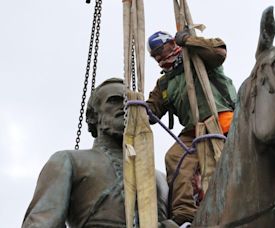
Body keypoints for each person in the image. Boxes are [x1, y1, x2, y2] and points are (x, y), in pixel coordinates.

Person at [22, 78, 172, 228]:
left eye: (130, 101)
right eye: (114, 101)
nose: (126, 105)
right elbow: (41, 222)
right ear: (92, 116)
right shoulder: (69, 161)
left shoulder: (162, 179)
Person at [146, 30, 237, 225]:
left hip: (221, 120)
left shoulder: (197, 57)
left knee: (234, 161)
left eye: (161, 50)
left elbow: (218, 51)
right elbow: (153, 108)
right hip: (193, 130)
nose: (159, 56)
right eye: (155, 55)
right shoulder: (166, 82)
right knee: (175, 158)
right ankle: (185, 212)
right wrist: (141, 110)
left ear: (172, 43)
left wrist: (189, 40)